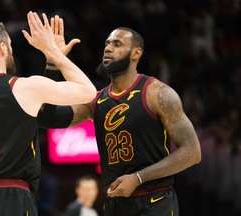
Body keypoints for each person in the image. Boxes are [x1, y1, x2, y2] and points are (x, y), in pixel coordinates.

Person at [38, 17, 202, 216]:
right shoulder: (96, 101)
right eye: (106, 44)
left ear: (136, 53)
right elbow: (48, 119)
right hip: (116, 204)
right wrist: (52, 63)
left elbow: (193, 152)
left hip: (155, 199)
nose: (107, 48)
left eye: (117, 44)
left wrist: (139, 177)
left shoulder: (157, 93)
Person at [0, 11, 96, 216]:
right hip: (10, 197)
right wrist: (53, 52)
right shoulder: (23, 87)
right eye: (10, 45)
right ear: (2, 48)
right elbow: (88, 92)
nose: (11, 50)